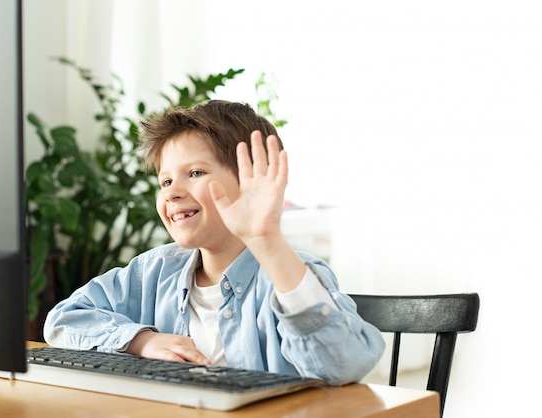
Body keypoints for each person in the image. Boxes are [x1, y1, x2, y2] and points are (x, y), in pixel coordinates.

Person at [43, 100, 384, 386]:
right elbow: (62, 320)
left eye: (195, 173)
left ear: (254, 179)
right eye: (165, 180)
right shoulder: (152, 271)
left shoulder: (292, 276)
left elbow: (343, 365)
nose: (172, 191)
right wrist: (143, 341)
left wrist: (266, 239)